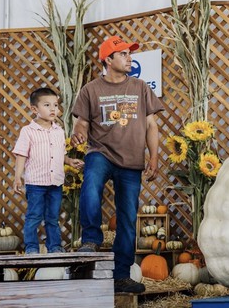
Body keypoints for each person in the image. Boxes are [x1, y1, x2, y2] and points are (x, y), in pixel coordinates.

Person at [70, 35, 164, 294]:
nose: (129, 58)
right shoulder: (91, 89)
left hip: (132, 161)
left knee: (126, 218)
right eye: (123, 54)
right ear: (108, 59)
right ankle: (90, 239)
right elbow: (82, 122)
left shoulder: (141, 87)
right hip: (100, 152)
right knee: (90, 187)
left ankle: (121, 275)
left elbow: (151, 125)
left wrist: (154, 157)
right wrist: (78, 131)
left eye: (129, 54)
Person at [13, 87, 84, 255]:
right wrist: (17, 178)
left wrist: (69, 161)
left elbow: (61, 154)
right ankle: (31, 247)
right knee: (34, 217)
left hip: (55, 182)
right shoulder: (28, 131)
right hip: (36, 183)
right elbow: (21, 155)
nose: (53, 109)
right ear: (34, 109)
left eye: (56, 105)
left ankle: (55, 247)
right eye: (47, 105)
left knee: (52, 218)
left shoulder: (58, 131)